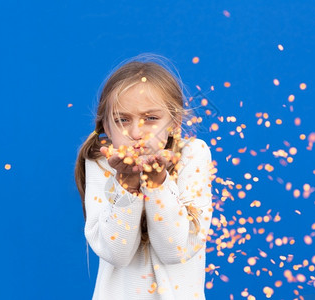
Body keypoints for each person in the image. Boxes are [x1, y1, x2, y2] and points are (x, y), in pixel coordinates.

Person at [74, 53, 214, 299]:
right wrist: (126, 185)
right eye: (121, 120)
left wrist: (157, 183)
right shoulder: (100, 162)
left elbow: (176, 250)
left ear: (175, 123)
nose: (136, 132)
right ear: (105, 126)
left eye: (151, 118)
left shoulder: (193, 155)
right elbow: (117, 253)